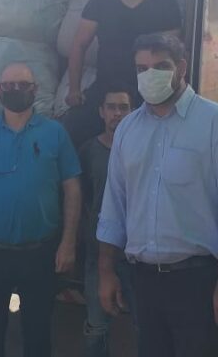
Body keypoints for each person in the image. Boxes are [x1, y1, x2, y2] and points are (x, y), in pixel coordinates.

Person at [96, 33, 218, 357]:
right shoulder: (128, 129)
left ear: (181, 68)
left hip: (198, 282)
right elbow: (114, 207)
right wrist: (106, 273)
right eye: (141, 68)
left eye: (160, 66)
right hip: (143, 282)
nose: (149, 75)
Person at [0, 62, 83, 357]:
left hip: (40, 253)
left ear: (34, 90)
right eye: (8, 85)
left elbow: (72, 188)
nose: (15, 90)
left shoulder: (55, 133)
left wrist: (68, 243)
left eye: (22, 85)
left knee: (37, 335)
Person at [63, 0, 182, 146]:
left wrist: (168, 97)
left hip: (147, 95)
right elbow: (79, 45)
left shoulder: (166, 6)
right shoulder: (102, 1)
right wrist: (74, 90)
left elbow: (173, 56)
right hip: (104, 90)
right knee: (69, 131)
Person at [80, 84, 136, 357]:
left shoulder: (142, 149)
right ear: (101, 112)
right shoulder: (89, 151)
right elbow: (83, 199)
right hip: (99, 254)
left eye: (123, 107)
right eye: (111, 107)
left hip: (138, 256)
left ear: (132, 111)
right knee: (97, 327)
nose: (117, 113)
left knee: (144, 326)